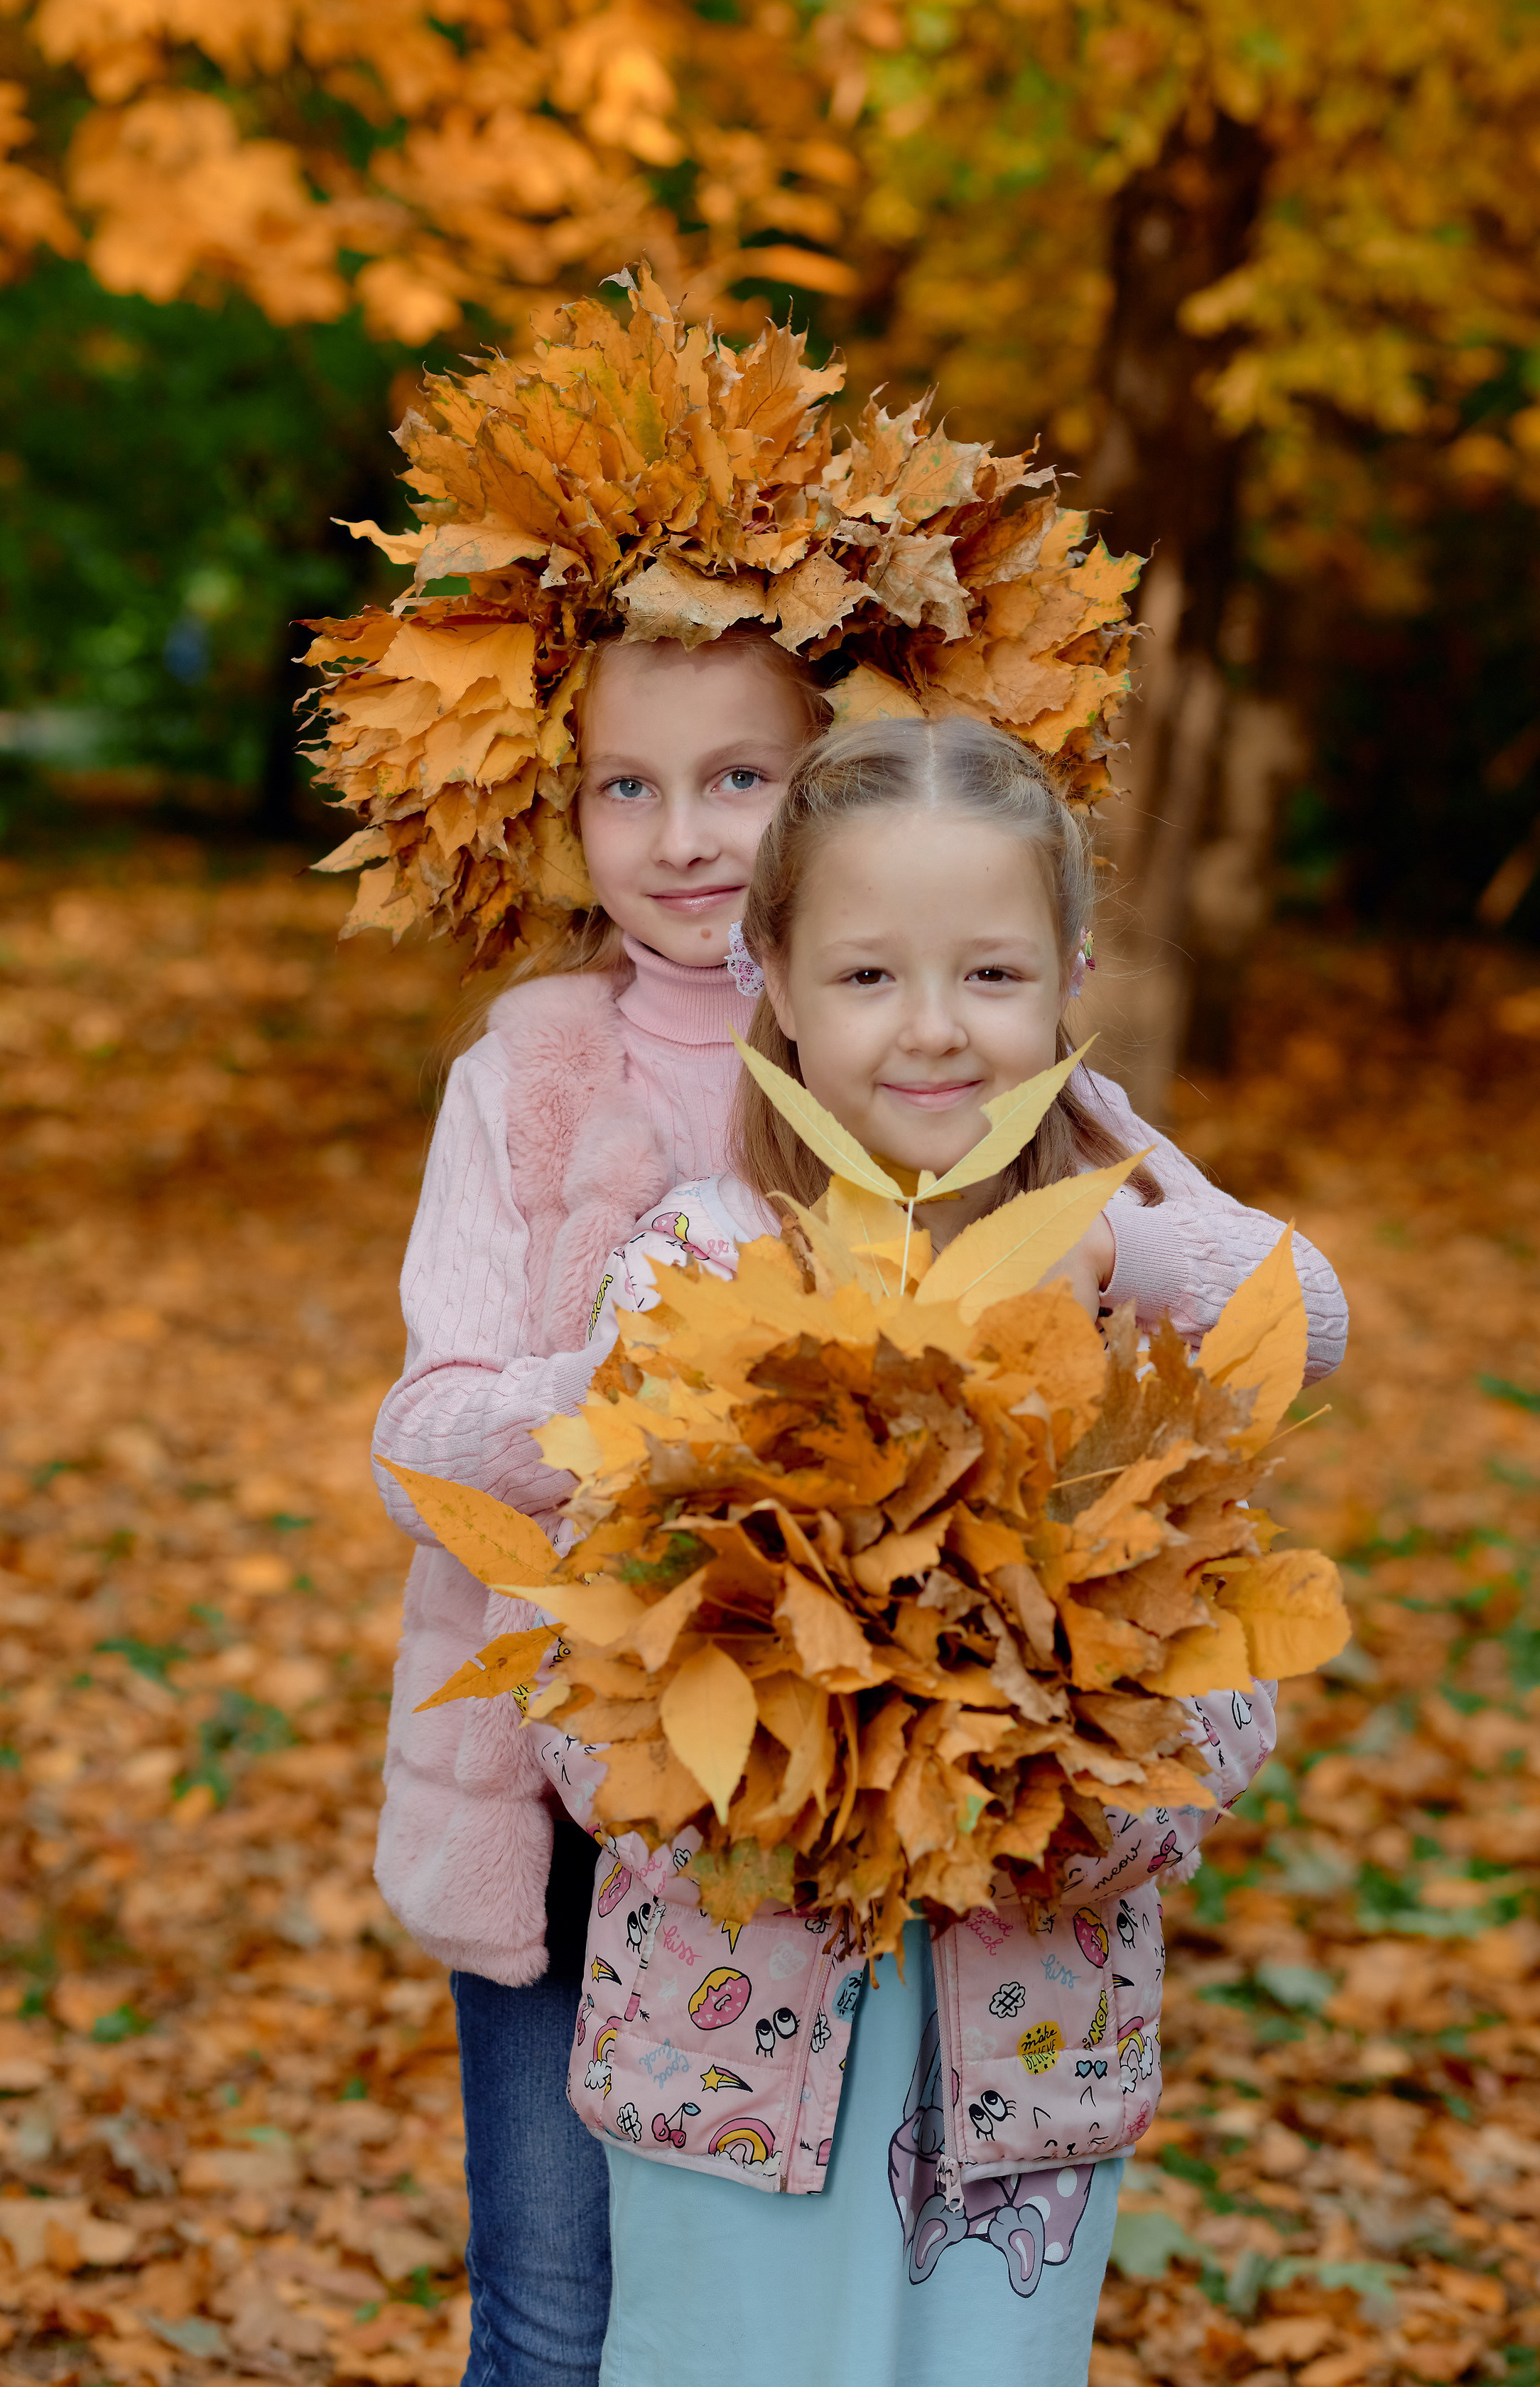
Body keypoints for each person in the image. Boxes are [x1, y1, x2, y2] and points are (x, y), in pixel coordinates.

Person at [549, 714, 1349, 2387]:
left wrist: (1082, 1802)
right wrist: (781, 1780)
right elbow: (587, 1665)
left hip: (1028, 2055)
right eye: (866, 977)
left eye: (991, 975)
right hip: (731, 2042)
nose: (931, 1029)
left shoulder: (1123, 1304)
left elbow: (1223, 1677)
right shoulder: (695, 1272)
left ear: (1068, 982)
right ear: (773, 978)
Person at [370, 627, 825, 2386]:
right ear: (565, 815)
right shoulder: (528, 1086)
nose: (684, 835)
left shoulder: (900, 1033)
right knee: (557, 2310)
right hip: (561, 1781)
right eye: (628, 787)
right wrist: (645, 1394)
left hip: (821, 1782)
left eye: (740, 778)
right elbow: (426, 1441)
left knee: (765, 2329)